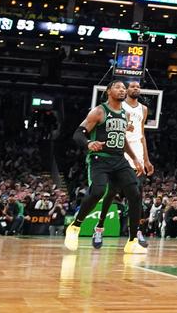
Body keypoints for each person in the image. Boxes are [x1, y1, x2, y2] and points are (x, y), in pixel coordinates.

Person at [63, 81, 147, 254]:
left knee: (135, 193)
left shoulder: (124, 114)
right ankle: (75, 227)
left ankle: (132, 241)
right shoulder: (99, 111)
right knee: (98, 192)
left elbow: (122, 140)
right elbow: (78, 133)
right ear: (109, 91)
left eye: (124, 88)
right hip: (99, 159)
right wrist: (88, 143)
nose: (122, 90)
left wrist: (135, 159)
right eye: (118, 87)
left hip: (119, 159)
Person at [94, 80, 153, 248]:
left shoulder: (143, 109)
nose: (136, 88)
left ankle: (136, 231)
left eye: (138, 86)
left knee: (137, 194)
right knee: (112, 192)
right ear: (125, 90)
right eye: (132, 86)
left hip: (138, 156)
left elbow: (142, 135)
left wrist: (146, 159)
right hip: (119, 154)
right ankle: (99, 227)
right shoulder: (118, 107)